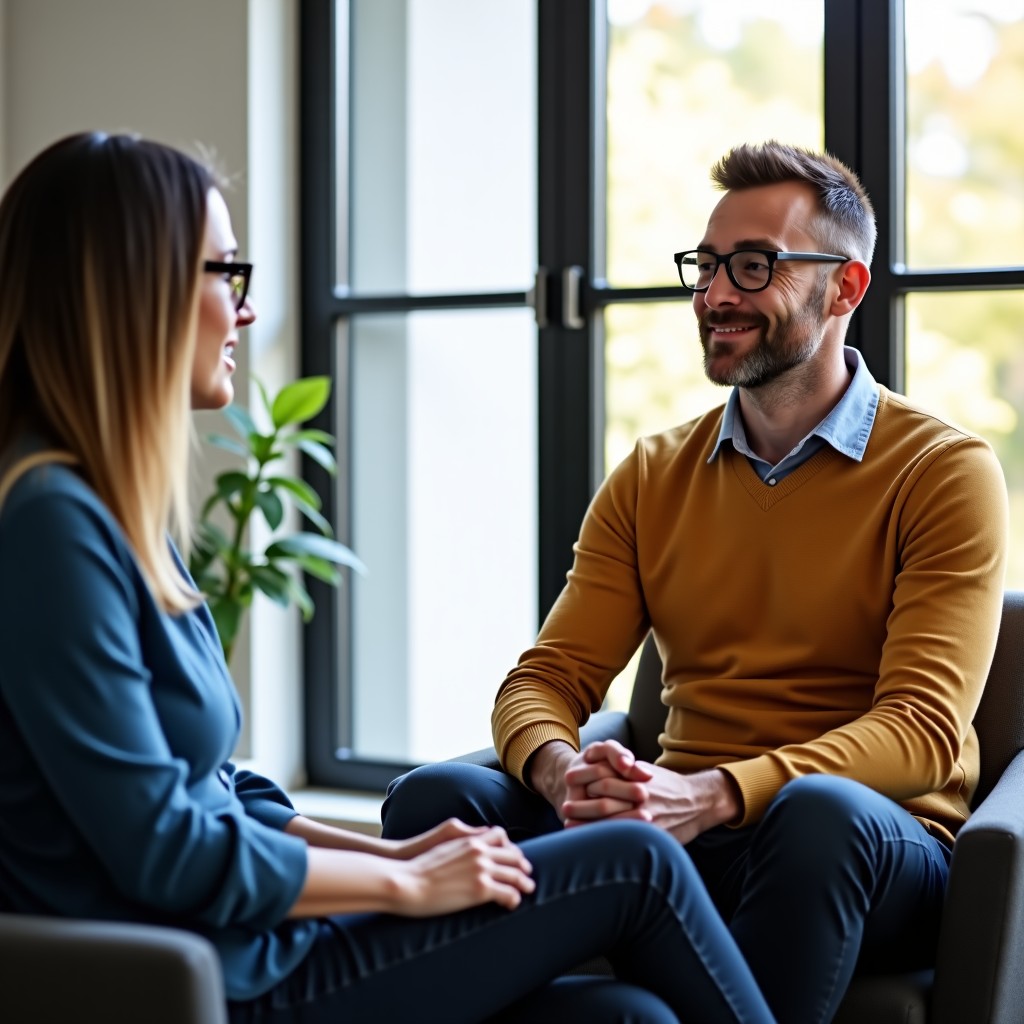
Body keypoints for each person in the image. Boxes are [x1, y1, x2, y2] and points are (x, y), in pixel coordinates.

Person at [0, 131, 783, 1024]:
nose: (245, 313)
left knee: (626, 1018)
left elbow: (221, 792)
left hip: (257, 943)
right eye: (226, 274)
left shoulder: (113, 507)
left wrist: (396, 861)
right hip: (217, 978)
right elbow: (163, 849)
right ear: (132, 293)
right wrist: (405, 887)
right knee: (633, 861)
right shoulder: (48, 525)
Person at [382, 141, 1009, 1023]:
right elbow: (546, 680)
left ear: (846, 288)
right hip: (677, 840)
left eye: (753, 267)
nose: (715, 296)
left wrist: (710, 793)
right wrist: (567, 775)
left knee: (817, 816)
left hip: (867, 850)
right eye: (707, 266)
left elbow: (919, 734)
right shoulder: (652, 472)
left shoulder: (944, 471)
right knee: (436, 799)